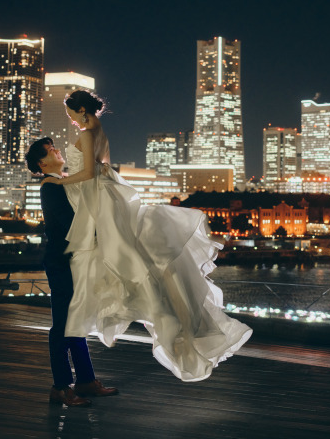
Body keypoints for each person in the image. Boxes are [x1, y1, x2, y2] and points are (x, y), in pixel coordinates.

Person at [37, 90, 252, 382]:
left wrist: (63, 182)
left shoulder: (83, 141)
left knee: (107, 277)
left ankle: (81, 382)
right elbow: (100, 172)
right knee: (123, 267)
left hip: (92, 203)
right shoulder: (95, 135)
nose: (69, 120)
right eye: (51, 151)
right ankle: (70, 383)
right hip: (89, 216)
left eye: (70, 113)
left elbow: (89, 173)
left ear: (82, 110)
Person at [25, 137, 118, 407]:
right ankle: (60, 387)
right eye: (51, 150)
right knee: (63, 325)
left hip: (71, 260)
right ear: (43, 163)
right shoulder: (50, 185)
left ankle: (86, 380)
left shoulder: (61, 181)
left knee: (75, 320)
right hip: (61, 262)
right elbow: (69, 224)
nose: (57, 150)